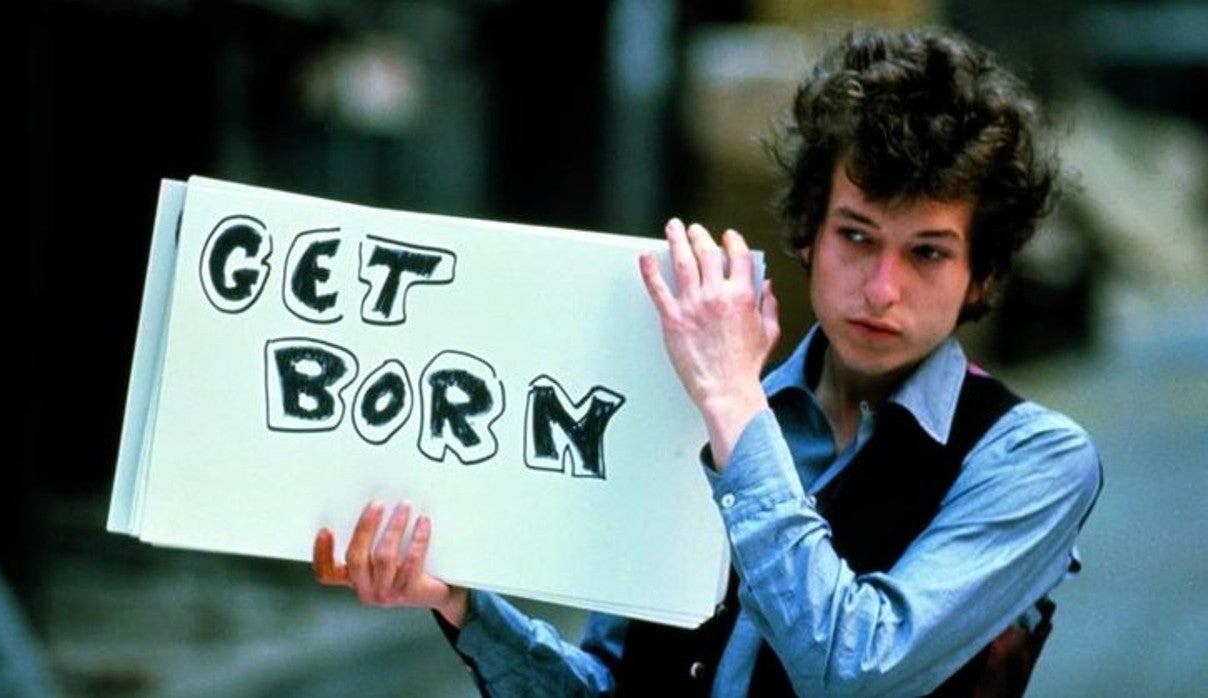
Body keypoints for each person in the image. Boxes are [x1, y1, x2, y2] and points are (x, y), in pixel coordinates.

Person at [312, 26, 1102, 697]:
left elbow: (857, 667)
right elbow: (610, 683)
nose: (882, 288)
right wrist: (461, 603)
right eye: (856, 236)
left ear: (983, 274)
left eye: (928, 253)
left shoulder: (1032, 457)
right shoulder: (704, 412)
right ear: (809, 235)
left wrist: (731, 405)